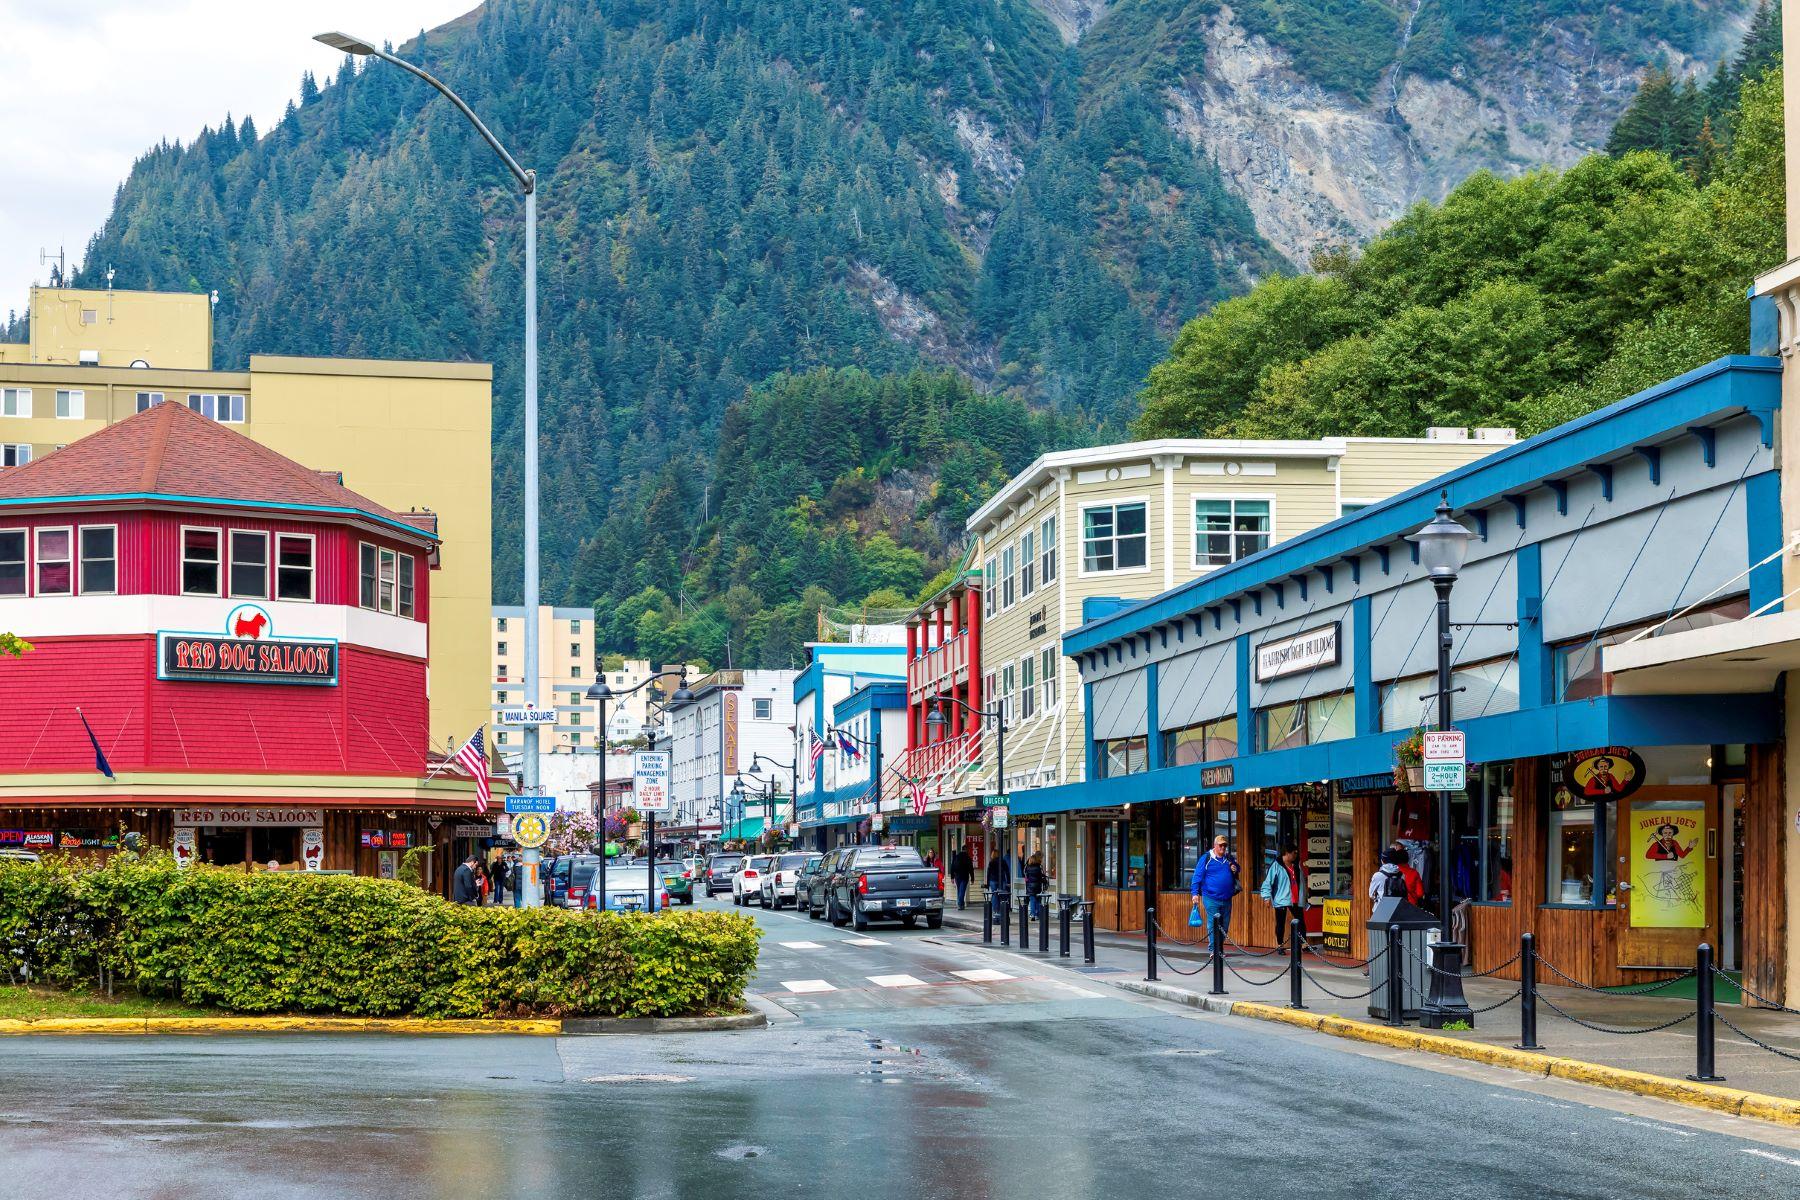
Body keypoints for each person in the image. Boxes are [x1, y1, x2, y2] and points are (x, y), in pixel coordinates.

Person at [1189, 834, 1240, 944]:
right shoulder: (1206, 858)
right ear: (1215, 845)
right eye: (1221, 845)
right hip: (1210, 897)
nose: (1223, 847)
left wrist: (1235, 868)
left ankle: (1219, 948)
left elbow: (1238, 868)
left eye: (1225, 845)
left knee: (1224, 926)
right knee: (1213, 924)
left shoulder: (1228, 858)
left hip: (1227, 898)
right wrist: (1194, 893)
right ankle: (1214, 949)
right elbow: (1197, 876)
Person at [1260, 846, 1307, 945]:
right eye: (1294, 853)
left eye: (1296, 853)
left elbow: (1301, 883)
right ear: (1286, 853)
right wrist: (1266, 897)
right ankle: (1280, 945)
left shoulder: (1296, 865)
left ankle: (1304, 944)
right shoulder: (1276, 865)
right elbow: (1267, 882)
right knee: (1280, 923)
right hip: (1281, 899)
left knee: (1301, 922)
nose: (1295, 855)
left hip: (1296, 899)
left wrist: (1304, 898)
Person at [985, 848, 1012, 918]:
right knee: (1002, 894)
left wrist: (987, 883)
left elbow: (988, 873)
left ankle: (995, 910)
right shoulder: (1002, 861)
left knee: (994, 894)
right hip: (1001, 880)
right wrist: (1008, 881)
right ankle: (1002, 909)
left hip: (993, 880)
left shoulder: (991, 862)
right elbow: (1007, 871)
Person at [1024, 852, 1047, 919]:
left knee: (1032, 900)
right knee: (1038, 900)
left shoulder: (1027, 868)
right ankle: (1037, 914)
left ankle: (1032, 914)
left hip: (1030, 886)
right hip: (1037, 886)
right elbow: (1040, 877)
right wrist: (1044, 880)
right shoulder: (1038, 868)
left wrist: (1027, 882)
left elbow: (1026, 877)